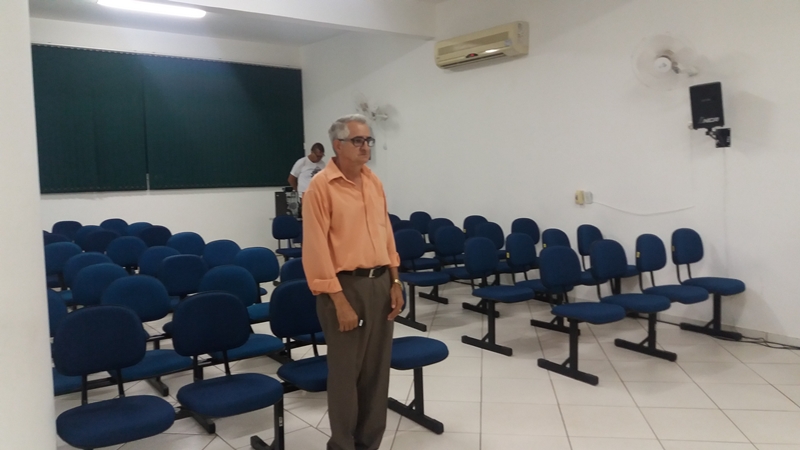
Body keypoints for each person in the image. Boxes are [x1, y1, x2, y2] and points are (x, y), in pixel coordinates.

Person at [301, 114, 403, 450]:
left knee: (376, 373)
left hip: (380, 283)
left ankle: (369, 443)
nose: (365, 147)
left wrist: (395, 281)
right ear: (338, 145)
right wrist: (338, 300)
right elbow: (316, 249)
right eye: (357, 140)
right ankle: (343, 445)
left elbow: (386, 234)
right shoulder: (321, 187)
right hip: (344, 287)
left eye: (368, 140)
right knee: (346, 375)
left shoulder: (374, 182)